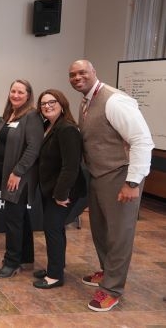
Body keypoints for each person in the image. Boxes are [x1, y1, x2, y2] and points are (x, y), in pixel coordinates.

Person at [68, 60, 154, 311]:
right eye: (72, 74)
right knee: (101, 230)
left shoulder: (114, 100)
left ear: (94, 72)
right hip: (99, 175)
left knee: (119, 235)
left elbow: (141, 141)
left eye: (82, 72)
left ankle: (112, 288)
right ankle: (107, 272)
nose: (77, 77)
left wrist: (132, 182)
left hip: (120, 175)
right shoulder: (86, 101)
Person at [33, 89, 86, 289]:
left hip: (62, 192)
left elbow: (71, 166)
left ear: (62, 103)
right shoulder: (49, 125)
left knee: (52, 229)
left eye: (51, 102)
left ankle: (55, 276)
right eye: (43, 103)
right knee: (54, 229)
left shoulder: (67, 129)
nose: (47, 106)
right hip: (51, 189)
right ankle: (56, 266)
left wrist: (61, 194)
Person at [0, 79, 43, 279]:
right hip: (7, 174)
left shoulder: (32, 116)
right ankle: (26, 257)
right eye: (13, 91)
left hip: (18, 177)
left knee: (13, 220)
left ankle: (11, 262)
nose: (15, 95)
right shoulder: (10, 114)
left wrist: (18, 172)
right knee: (21, 217)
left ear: (28, 95)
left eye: (20, 92)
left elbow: (33, 147)